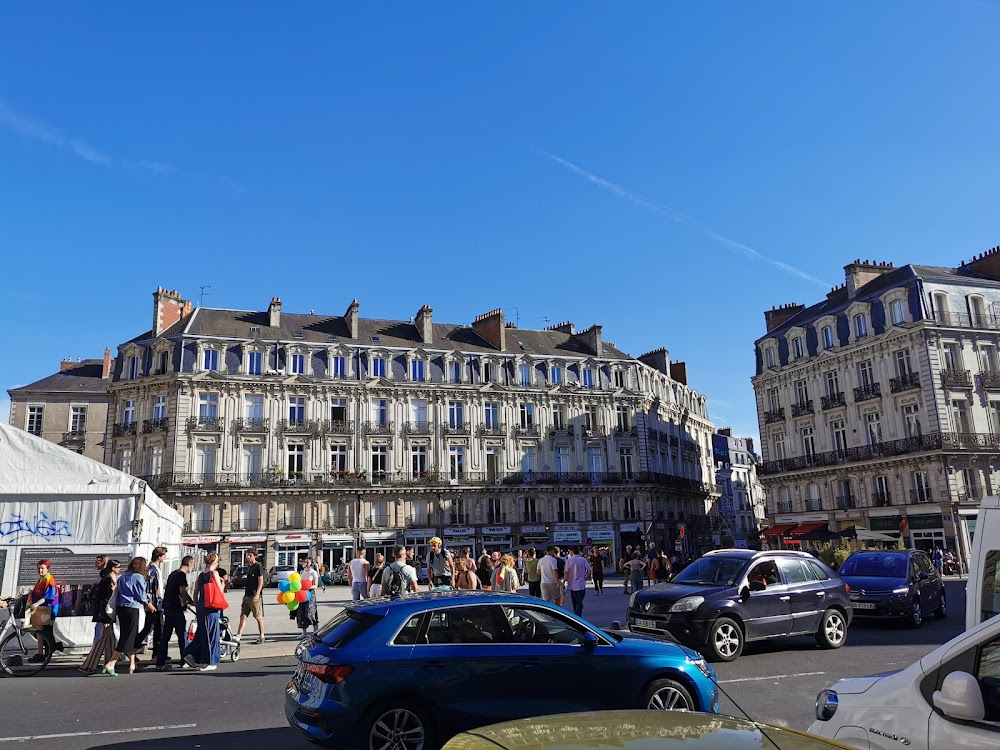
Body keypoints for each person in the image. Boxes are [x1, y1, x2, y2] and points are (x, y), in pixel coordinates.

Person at [102, 557, 149, 675]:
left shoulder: (122, 577)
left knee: (127, 634)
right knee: (128, 637)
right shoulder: (138, 577)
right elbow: (141, 595)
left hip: (121, 608)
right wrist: (149, 603)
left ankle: (132, 663)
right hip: (133, 608)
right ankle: (111, 663)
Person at [183, 553, 225, 672]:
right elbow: (220, 591)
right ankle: (208, 661)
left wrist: (197, 605)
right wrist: (222, 584)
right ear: (214, 562)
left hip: (201, 606)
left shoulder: (201, 575)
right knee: (211, 634)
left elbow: (195, 593)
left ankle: (191, 655)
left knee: (202, 633)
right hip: (211, 607)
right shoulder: (214, 573)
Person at [81, 559, 120, 674]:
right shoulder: (107, 580)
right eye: (118, 567)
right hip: (106, 613)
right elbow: (103, 599)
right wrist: (112, 591)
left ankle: (108, 664)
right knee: (104, 638)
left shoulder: (110, 578)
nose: (119, 569)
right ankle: (89, 664)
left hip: (108, 612)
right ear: (113, 568)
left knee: (110, 638)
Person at [157, 555, 194, 670]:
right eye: (193, 565)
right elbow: (182, 591)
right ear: (189, 564)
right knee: (182, 635)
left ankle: (160, 661)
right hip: (176, 608)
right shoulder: (181, 575)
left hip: (168, 607)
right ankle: (185, 659)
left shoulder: (173, 574)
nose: (192, 568)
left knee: (166, 636)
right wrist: (191, 601)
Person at [26, 559, 64, 661]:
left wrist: (35, 604)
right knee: (41, 632)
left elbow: (49, 596)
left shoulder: (49, 580)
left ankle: (42, 654)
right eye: (38, 568)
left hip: (48, 609)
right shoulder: (41, 580)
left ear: (47, 568)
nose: (40, 570)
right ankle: (50, 649)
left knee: (42, 631)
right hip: (42, 609)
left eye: (42, 568)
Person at [136, 546, 166, 657]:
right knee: (150, 627)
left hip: (157, 603)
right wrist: (149, 603)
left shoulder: (154, 569)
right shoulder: (152, 570)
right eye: (164, 556)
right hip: (154, 604)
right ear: (159, 556)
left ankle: (157, 652)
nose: (165, 558)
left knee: (157, 628)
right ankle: (133, 646)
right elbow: (149, 588)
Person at [236, 549, 266, 644]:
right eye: (247, 555)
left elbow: (261, 581)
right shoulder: (250, 567)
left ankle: (262, 636)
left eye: (249, 555)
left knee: (257, 616)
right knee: (243, 615)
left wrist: (257, 594)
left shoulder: (258, 566)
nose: (247, 557)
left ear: (254, 556)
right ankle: (238, 635)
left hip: (254, 595)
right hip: (247, 595)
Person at [564, 547, 593, 617]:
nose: (569, 553)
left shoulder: (569, 560)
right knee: (579, 601)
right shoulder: (583, 560)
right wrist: (586, 576)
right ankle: (578, 615)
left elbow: (566, 572)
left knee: (574, 601)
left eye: (569, 551)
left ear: (572, 551)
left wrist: (564, 581)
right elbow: (589, 569)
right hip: (581, 584)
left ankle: (576, 615)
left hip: (571, 585)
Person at [296, 558, 320, 638]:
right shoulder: (303, 572)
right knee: (301, 613)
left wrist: (308, 587)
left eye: (307, 562)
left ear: (311, 563)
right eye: (305, 562)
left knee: (310, 612)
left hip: (310, 594)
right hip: (302, 594)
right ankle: (304, 633)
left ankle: (315, 631)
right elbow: (300, 582)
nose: (306, 563)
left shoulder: (313, 573)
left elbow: (315, 585)